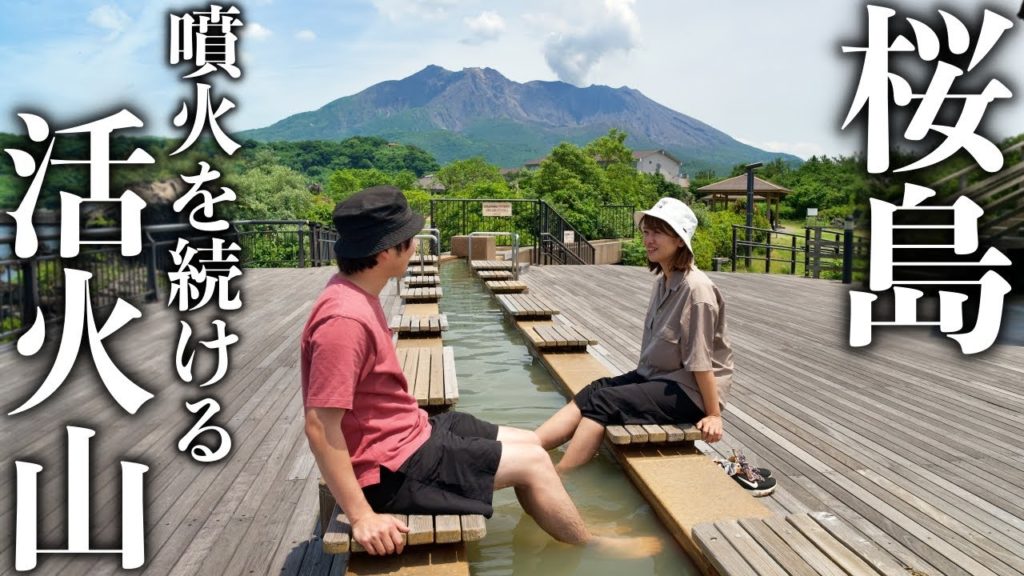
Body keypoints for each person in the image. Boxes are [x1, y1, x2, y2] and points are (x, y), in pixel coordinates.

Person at [302, 185, 662, 556]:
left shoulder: (356, 294)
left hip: (412, 435)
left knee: (532, 442)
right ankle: (591, 545)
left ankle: (567, 518)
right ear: (385, 252)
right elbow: (319, 425)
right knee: (535, 462)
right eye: (409, 239)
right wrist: (362, 517)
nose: (415, 246)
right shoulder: (344, 320)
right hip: (390, 470)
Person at [535, 197, 775, 495]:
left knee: (603, 404)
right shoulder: (664, 280)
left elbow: (702, 362)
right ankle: (532, 448)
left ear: (679, 240)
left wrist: (713, 415)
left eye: (657, 232)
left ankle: (558, 480)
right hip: (659, 377)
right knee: (596, 389)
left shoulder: (696, 290)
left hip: (691, 392)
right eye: (646, 232)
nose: (648, 239)